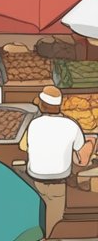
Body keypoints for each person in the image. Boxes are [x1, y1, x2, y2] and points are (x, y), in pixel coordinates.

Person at [21, 85, 96, 238]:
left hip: (34, 178)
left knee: (38, 207)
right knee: (54, 217)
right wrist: (91, 143)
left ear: (42, 106)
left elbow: (23, 147)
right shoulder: (71, 125)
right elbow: (81, 158)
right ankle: (50, 237)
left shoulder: (34, 124)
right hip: (58, 180)